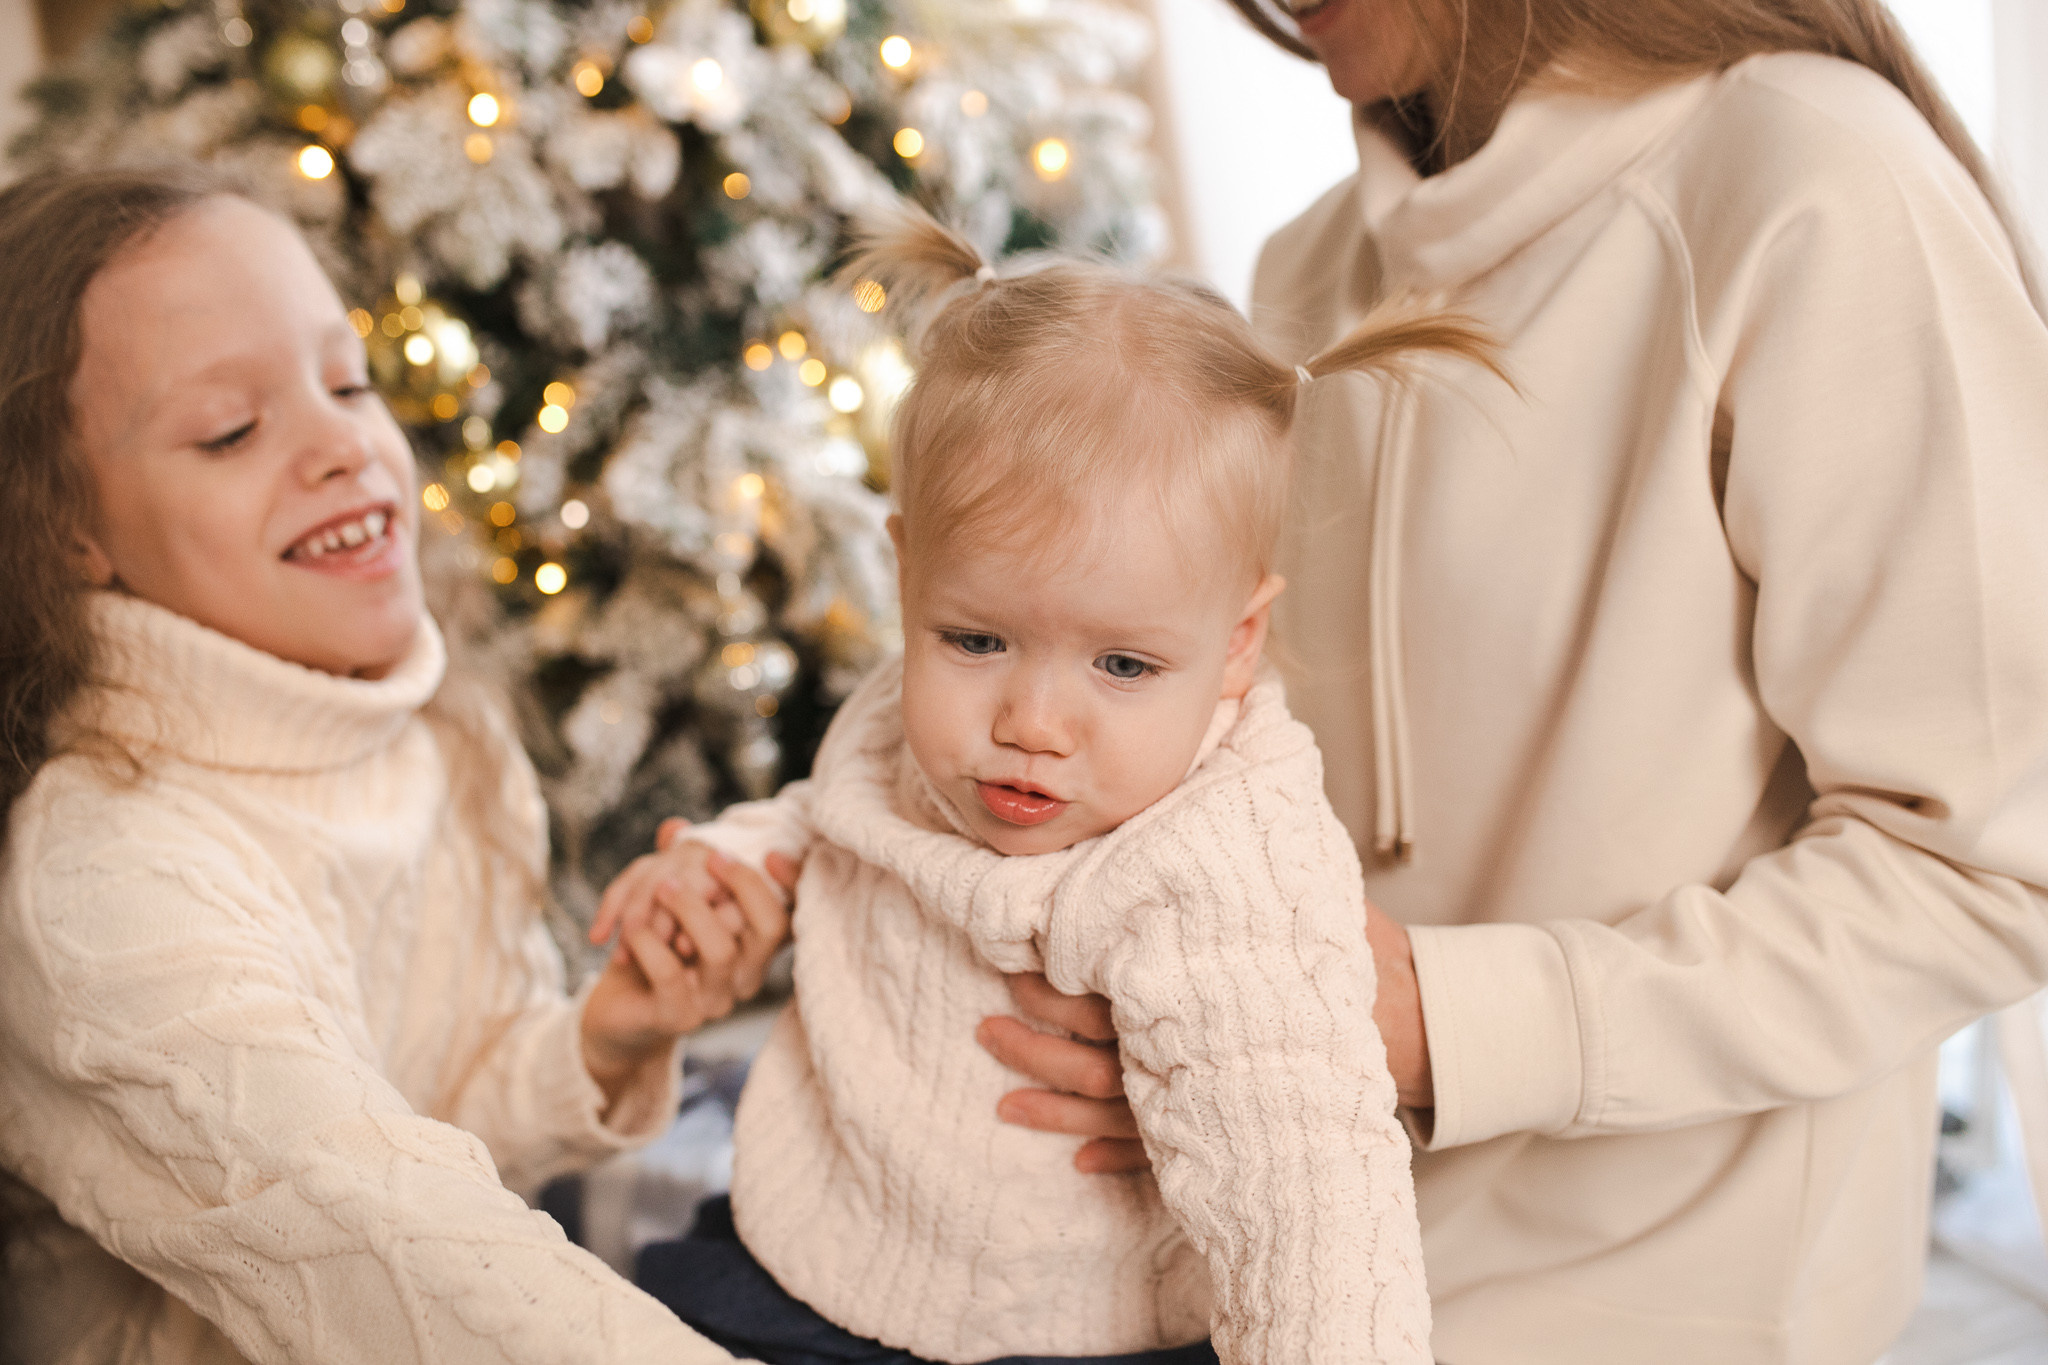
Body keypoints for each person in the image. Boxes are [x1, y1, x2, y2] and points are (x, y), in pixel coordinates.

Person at [975, 2, 2048, 1362]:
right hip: (1298, 1259)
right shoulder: (1310, 267)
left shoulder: (1814, 181)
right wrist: (1186, 1024)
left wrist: (1443, 1026)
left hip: (1669, 1314)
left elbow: (1985, 869)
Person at [606, 210, 1502, 1364]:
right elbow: (839, 820)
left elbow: (1305, 1198)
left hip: (1075, 1326)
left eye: (1121, 666)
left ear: (1235, 644)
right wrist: (733, 866)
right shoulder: (911, 717)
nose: (1029, 724)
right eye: (975, 640)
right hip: (816, 1236)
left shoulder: (1224, 859)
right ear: (906, 577)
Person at [0, 166, 790, 1365]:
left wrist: (600, 1038)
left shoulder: (433, 730)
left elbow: (432, 1132)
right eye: (231, 430)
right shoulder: (104, 885)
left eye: (349, 381)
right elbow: (394, 1253)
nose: (341, 445)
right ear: (66, 529)